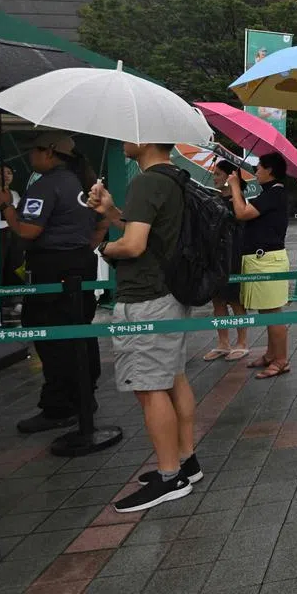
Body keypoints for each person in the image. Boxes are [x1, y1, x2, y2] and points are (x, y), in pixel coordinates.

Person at [87, 142, 199, 512]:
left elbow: (134, 245)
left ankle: (170, 477)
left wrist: (104, 248)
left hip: (146, 299)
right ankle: (186, 461)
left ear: (147, 137)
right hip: (169, 294)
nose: (123, 140)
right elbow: (150, 232)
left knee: (150, 388)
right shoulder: (175, 179)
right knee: (173, 377)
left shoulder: (147, 182)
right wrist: (112, 211)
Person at [0, 133, 104, 434]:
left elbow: (28, 231)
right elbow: (103, 223)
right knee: (80, 329)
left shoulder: (45, 186)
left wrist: (5, 208)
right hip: (81, 263)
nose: (31, 156)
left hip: (53, 267)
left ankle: (59, 406)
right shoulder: (85, 184)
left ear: (50, 153)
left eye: (34, 150)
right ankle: (84, 396)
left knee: (50, 334)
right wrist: (83, 246)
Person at [229, 152, 291, 379]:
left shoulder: (276, 192)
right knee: (267, 311)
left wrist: (235, 186)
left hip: (267, 261)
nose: (256, 172)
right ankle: (270, 354)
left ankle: (281, 360)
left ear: (270, 170)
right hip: (260, 259)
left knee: (273, 313)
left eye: (259, 168)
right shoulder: (270, 193)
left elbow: (243, 213)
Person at [203, 160, 248, 362]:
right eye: (214, 174)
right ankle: (223, 342)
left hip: (234, 254)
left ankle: (242, 342)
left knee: (235, 299)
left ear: (230, 177)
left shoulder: (240, 201)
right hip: (215, 255)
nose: (215, 178)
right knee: (218, 300)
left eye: (219, 174)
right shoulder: (212, 200)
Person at [0, 164, 24, 288]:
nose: (6, 176)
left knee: (15, 264)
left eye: (9, 173)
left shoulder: (15, 193)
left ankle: (14, 297)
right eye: (1, 173)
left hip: (14, 234)